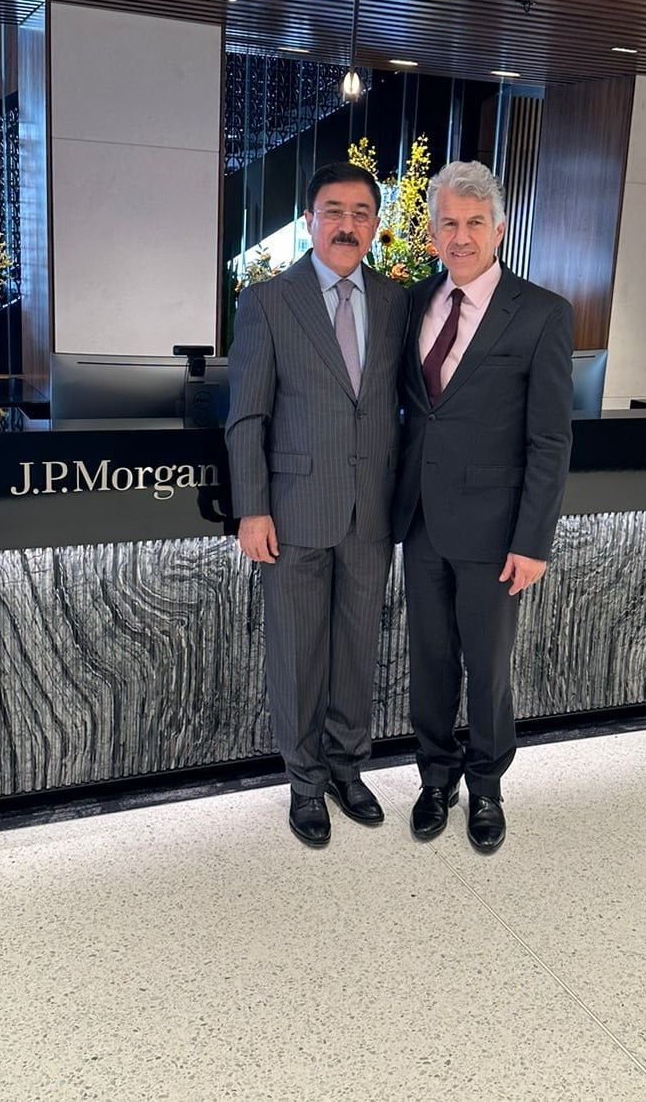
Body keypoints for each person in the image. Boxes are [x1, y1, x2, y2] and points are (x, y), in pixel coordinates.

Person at [392, 160, 573, 853]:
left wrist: (533, 540)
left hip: (497, 532)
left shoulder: (542, 313)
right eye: (448, 223)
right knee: (430, 659)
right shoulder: (412, 302)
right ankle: (434, 778)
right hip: (420, 519)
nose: (460, 236)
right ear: (432, 232)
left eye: (474, 222)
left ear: (499, 229)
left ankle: (488, 786)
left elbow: (550, 439)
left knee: (488, 667)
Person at [226, 163, 408, 847]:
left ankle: (347, 767)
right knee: (299, 653)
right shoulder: (268, 301)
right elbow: (247, 416)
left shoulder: (396, 301)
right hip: (294, 509)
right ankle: (305, 783)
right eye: (334, 211)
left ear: (375, 225)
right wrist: (252, 508)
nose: (347, 224)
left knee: (358, 649)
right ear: (310, 220)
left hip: (371, 510)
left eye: (361, 213)